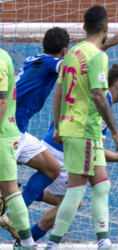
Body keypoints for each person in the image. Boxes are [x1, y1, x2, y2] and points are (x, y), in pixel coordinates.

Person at [0, 22, 118, 238]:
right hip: (8, 129)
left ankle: (16, 211)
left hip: (19, 130)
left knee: (51, 169)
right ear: (64, 50)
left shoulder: (34, 59)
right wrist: (107, 44)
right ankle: (15, 210)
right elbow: (77, 64)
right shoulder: (52, 63)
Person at [12, 63, 118, 246]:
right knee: (77, 200)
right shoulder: (101, 101)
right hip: (62, 154)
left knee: (70, 203)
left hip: (56, 147)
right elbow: (96, 150)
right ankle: (26, 234)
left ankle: (26, 229)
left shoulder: (101, 98)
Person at [46, 6, 118, 250]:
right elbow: (98, 95)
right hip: (85, 129)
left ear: (83, 27)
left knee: (102, 184)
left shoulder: (72, 53)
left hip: (73, 128)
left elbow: (59, 91)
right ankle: (53, 243)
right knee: (76, 190)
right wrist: (115, 130)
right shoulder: (98, 56)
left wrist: (58, 126)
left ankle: (104, 240)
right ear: (106, 28)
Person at [0, 48, 36, 250]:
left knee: (10, 191)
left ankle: (28, 244)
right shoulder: (3, 55)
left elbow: (2, 102)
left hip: (3, 134)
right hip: (7, 133)